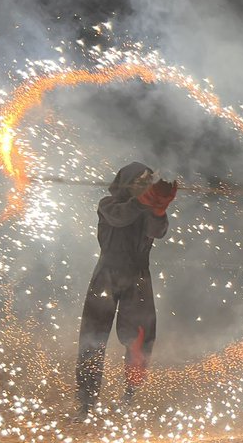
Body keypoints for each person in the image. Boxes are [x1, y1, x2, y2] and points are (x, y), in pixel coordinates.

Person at [75, 162, 176, 419]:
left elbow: (158, 231)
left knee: (140, 338)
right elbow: (119, 217)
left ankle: (128, 398)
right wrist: (144, 202)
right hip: (106, 275)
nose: (143, 188)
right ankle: (86, 403)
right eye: (139, 183)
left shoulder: (146, 210)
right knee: (92, 338)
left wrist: (159, 209)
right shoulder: (108, 205)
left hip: (138, 277)